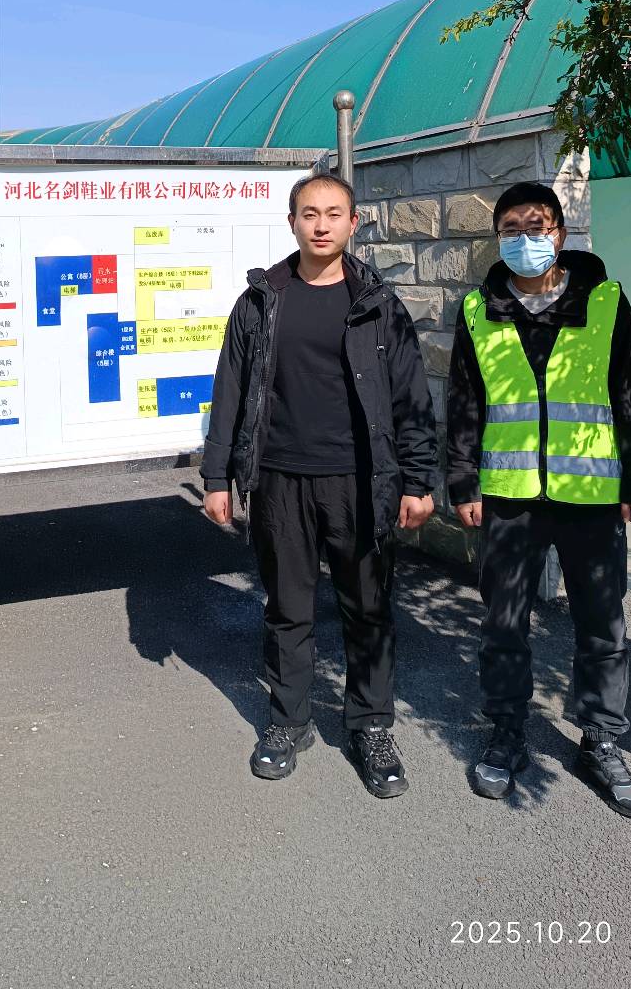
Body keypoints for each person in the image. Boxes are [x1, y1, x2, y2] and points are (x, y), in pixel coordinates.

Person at [201, 172, 437, 797]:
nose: (322, 224)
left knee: (368, 608)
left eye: (334, 213)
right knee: (288, 609)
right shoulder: (260, 300)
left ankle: (370, 726)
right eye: (310, 213)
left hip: (361, 482)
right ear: (292, 223)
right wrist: (217, 475)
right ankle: (288, 721)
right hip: (280, 481)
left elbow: (411, 397)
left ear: (354, 223)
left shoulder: (379, 303)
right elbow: (230, 391)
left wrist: (418, 479)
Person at [446, 181, 631, 817]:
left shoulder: (604, 300)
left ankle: (601, 738)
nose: (523, 239)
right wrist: (462, 481)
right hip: (509, 494)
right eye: (509, 229)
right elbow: (464, 401)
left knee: (602, 620)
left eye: (535, 226)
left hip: (590, 490)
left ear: (560, 233)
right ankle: (507, 731)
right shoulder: (479, 310)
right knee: (504, 620)